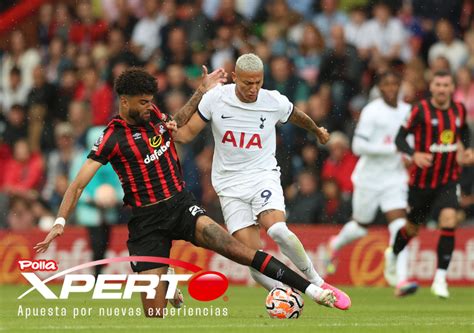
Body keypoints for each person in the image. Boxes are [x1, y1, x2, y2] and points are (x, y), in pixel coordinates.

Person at [34, 67, 337, 318]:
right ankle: (165, 281)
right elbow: (77, 184)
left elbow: (175, 123)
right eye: (141, 102)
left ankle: (312, 290)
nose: (148, 106)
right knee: (154, 315)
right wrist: (60, 222)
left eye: (149, 101)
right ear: (124, 102)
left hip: (181, 207)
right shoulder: (111, 138)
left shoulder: (151, 113)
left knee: (239, 251)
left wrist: (200, 91)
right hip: (147, 222)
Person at [172, 53, 351, 310]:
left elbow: (295, 114)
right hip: (229, 185)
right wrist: (169, 130)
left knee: (277, 229)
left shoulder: (272, 101)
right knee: (251, 257)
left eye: (258, 82)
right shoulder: (216, 98)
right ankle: (286, 296)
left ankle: (317, 282)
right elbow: (186, 134)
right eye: (247, 83)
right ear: (235, 78)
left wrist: (317, 130)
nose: (253, 88)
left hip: (262, 176)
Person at [325, 71, 417, 296]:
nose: (392, 88)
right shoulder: (372, 112)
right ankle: (336, 243)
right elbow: (357, 146)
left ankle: (402, 280)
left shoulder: (408, 112)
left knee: (399, 226)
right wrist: (391, 150)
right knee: (360, 227)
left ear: (400, 86)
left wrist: (409, 156)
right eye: (387, 84)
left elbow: (411, 143)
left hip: (394, 179)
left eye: (395, 83)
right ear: (380, 88)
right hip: (369, 179)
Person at [391, 70, 474, 298]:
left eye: (446, 85)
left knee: (449, 220)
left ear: (451, 88)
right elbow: (400, 137)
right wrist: (413, 154)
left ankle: (440, 279)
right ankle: (394, 254)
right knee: (411, 229)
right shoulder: (420, 110)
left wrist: (466, 150)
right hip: (421, 183)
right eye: (438, 85)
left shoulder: (458, 109)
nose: (441, 89)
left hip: (448, 179)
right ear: (432, 87)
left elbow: (464, 131)